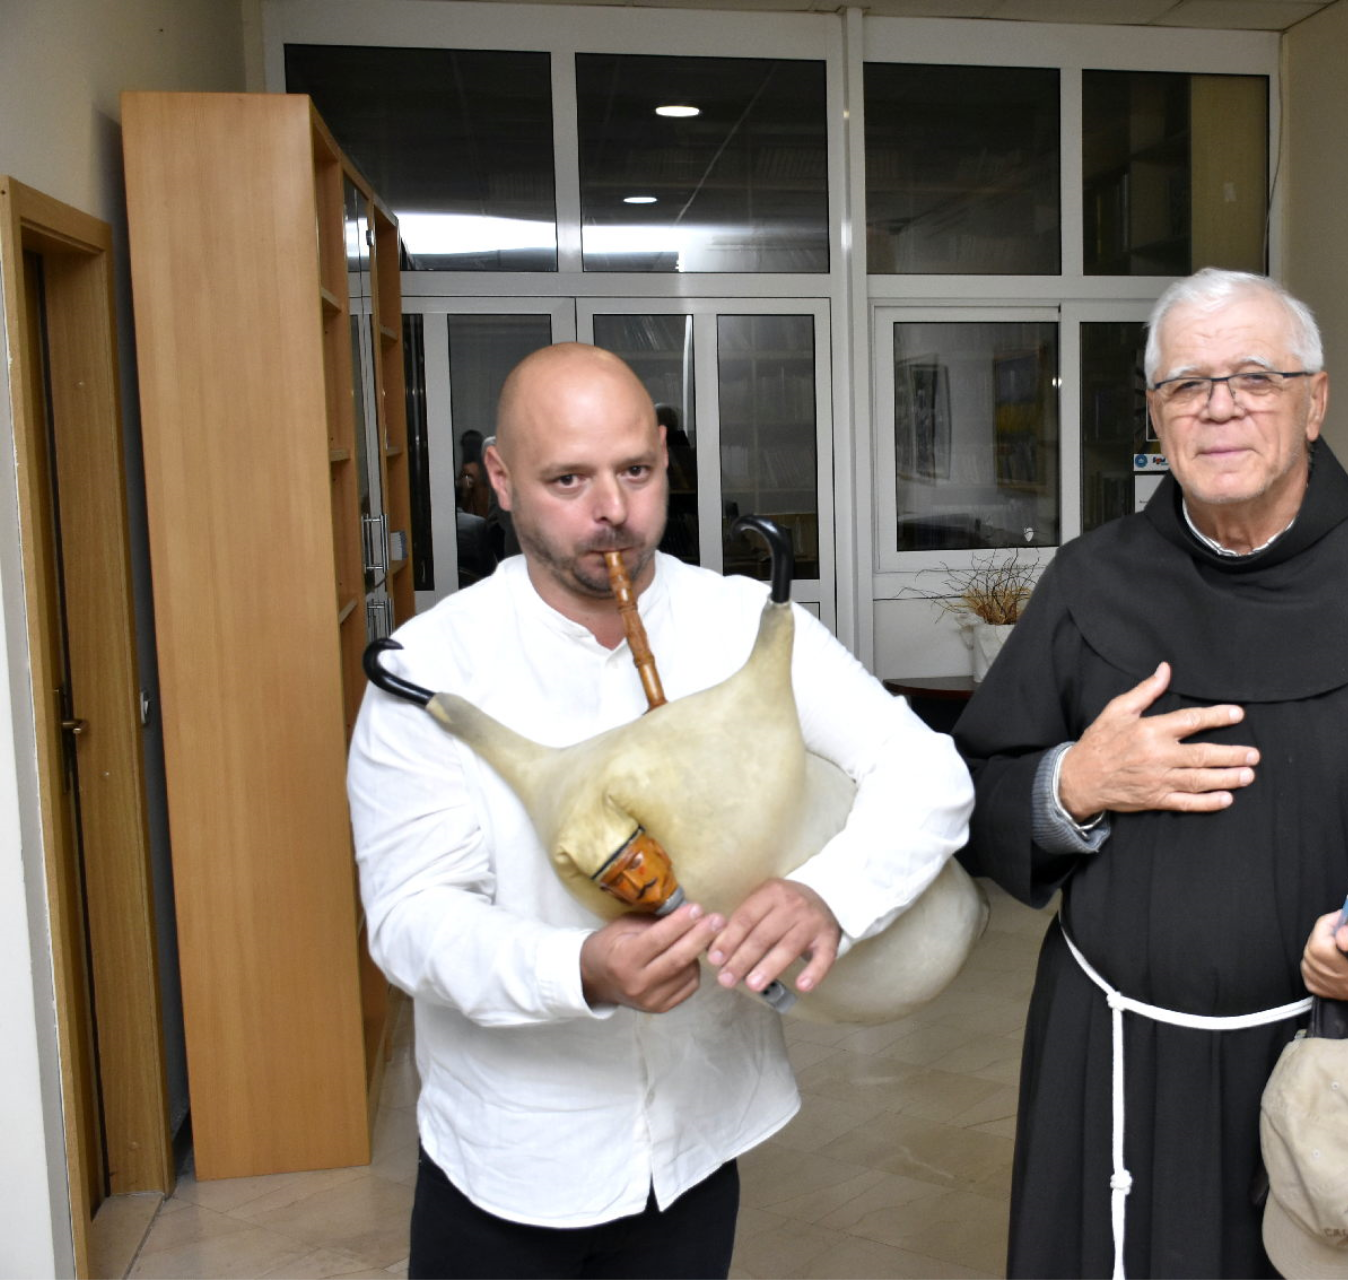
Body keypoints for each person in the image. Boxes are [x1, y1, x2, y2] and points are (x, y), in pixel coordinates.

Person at [953, 268, 1348, 1280]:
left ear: (1314, 402)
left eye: (1254, 377)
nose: (1220, 405)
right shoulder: (1090, 579)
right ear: (1157, 414)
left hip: (1335, 1053)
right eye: (1187, 384)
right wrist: (1074, 783)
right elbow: (973, 791)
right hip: (1117, 1056)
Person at [347, 342, 972, 1279]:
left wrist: (830, 895)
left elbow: (926, 772)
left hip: (696, 1146)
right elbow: (411, 920)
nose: (612, 509)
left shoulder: (743, 623)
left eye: (636, 471)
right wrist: (581, 971)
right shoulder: (429, 672)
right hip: (508, 1159)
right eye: (568, 479)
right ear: (501, 480)